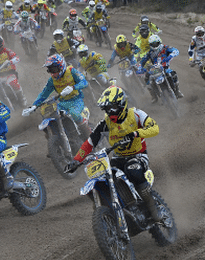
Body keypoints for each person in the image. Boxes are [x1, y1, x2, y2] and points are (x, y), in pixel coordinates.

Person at [65, 86, 163, 221]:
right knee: (104, 176)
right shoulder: (105, 124)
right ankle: (110, 214)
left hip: (138, 155)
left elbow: (155, 128)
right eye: (107, 109)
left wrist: (136, 133)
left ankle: (154, 208)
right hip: (118, 158)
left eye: (112, 108)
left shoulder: (136, 114)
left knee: (132, 170)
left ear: (122, 104)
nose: (110, 112)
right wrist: (76, 160)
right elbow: (89, 143)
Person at [21, 54, 91, 136]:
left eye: (54, 70)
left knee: (74, 114)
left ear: (61, 67)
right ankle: (56, 136)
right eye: (50, 71)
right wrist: (34, 106)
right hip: (62, 103)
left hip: (76, 100)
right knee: (50, 115)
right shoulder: (52, 80)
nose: (53, 74)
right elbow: (44, 94)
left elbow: (84, 82)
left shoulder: (71, 71)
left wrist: (73, 87)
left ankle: (90, 136)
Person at [139, 34, 183, 101]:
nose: (155, 46)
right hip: (155, 70)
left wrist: (170, 56)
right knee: (148, 79)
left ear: (159, 42)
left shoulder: (165, 48)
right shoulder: (150, 53)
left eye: (156, 44)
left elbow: (176, 50)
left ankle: (177, 90)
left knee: (173, 74)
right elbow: (142, 61)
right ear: (150, 45)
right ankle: (154, 96)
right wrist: (140, 68)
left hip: (165, 68)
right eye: (153, 44)